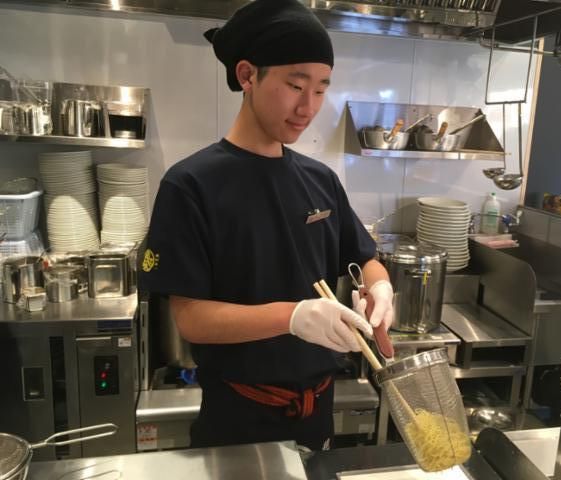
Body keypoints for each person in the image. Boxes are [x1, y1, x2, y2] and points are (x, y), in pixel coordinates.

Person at [139, 0, 394, 452]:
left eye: (321, 90)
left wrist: (379, 288)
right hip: (238, 423)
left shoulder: (320, 180)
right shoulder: (191, 184)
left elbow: (365, 258)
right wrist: (292, 317)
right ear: (247, 76)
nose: (308, 107)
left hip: (317, 417)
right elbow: (190, 317)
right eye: (295, 85)